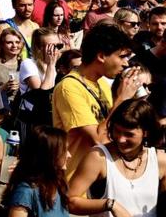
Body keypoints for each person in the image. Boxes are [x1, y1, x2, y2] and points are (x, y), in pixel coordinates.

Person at [67, 98, 166, 217]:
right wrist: (110, 204)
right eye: (117, 131)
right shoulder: (98, 157)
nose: (120, 139)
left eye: (129, 134)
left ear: (146, 132)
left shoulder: (160, 160)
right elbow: (69, 201)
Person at [53, 22, 143, 166]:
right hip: (74, 179)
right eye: (122, 57)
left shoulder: (101, 83)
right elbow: (99, 139)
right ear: (101, 56)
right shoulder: (69, 87)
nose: (126, 63)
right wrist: (122, 99)